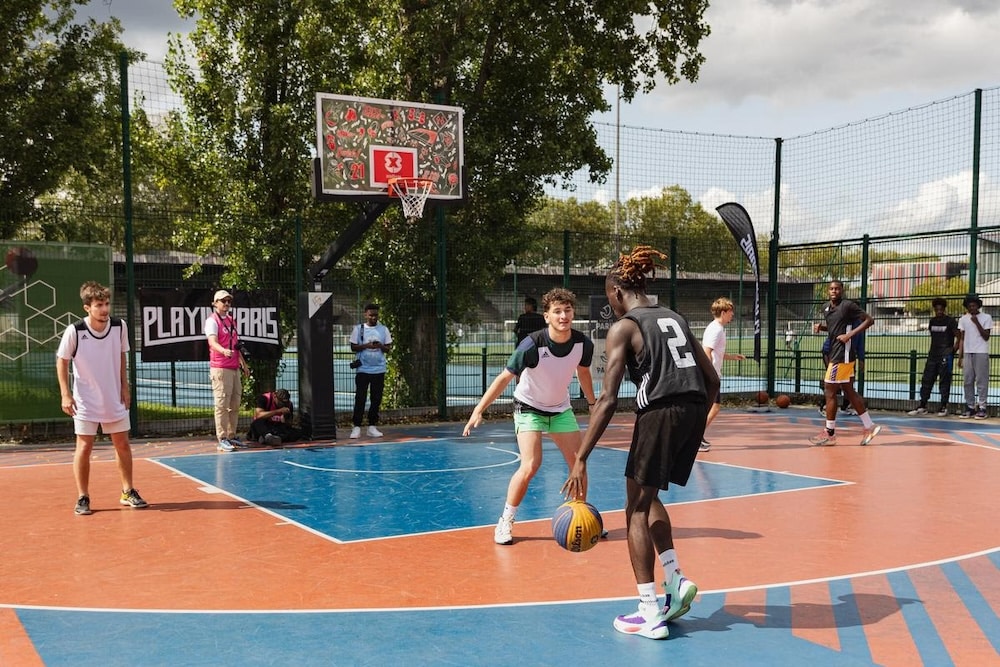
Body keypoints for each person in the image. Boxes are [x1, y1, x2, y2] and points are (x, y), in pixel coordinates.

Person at [561, 246, 719, 640]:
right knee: (648, 496)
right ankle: (676, 581)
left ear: (616, 292)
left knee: (634, 508)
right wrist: (695, 424)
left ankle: (649, 612)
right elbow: (712, 380)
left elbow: (609, 399)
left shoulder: (625, 327)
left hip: (660, 414)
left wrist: (581, 457)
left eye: (608, 296)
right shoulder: (676, 318)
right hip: (693, 410)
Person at [463, 287, 597, 546]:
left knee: (579, 465)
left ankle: (580, 516)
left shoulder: (582, 343)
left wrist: (592, 403)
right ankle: (505, 520)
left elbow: (583, 373)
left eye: (567, 310)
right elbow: (504, 378)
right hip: (529, 408)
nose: (563, 316)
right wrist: (478, 410)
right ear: (546, 316)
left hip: (560, 410)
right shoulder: (533, 344)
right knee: (531, 465)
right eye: (557, 311)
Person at [56, 281, 148, 515]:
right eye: (99, 305)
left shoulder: (119, 326)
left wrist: (125, 387)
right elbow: (62, 360)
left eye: (107, 304)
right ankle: (83, 497)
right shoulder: (75, 331)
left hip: (113, 397)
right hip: (85, 400)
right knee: (84, 447)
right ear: (87, 307)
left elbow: (121, 356)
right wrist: (65, 394)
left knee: (123, 445)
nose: (105, 309)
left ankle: (128, 491)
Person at [811, 280, 880, 446]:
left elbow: (869, 320)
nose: (834, 291)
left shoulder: (848, 306)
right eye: (831, 289)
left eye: (837, 289)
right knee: (848, 391)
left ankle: (830, 432)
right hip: (838, 353)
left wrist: (850, 335)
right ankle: (869, 426)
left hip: (842, 354)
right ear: (828, 291)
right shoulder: (826, 308)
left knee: (829, 389)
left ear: (842, 290)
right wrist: (822, 328)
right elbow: (836, 328)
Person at [205, 289, 249, 452]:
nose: (227, 304)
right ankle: (222, 438)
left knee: (235, 403)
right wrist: (223, 350)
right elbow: (212, 342)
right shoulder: (212, 321)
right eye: (223, 301)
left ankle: (232, 436)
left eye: (229, 301)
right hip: (220, 367)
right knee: (222, 404)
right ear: (215, 303)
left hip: (233, 367)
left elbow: (235, 345)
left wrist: (243, 363)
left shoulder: (231, 320)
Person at [700, 297, 745, 451]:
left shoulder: (718, 328)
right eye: (731, 311)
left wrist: (732, 357)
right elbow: (707, 351)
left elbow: (717, 353)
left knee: (712, 406)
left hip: (712, 374)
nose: (732, 314)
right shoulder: (716, 329)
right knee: (713, 406)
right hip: (711, 375)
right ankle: (696, 437)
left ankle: (697, 436)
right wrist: (709, 374)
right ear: (724, 312)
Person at [908, 297, 959, 417]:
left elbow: (959, 336)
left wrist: (952, 351)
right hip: (933, 355)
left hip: (946, 355)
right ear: (934, 310)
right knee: (927, 379)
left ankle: (943, 406)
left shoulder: (950, 321)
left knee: (944, 381)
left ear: (944, 309)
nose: (939, 311)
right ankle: (922, 405)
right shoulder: (932, 321)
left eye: (941, 309)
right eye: (937, 309)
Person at [349, 303, 392, 438]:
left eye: (376, 315)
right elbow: (353, 347)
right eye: (371, 315)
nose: (374, 317)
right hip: (363, 369)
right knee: (360, 398)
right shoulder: (359, 329)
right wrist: (366, 345)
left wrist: (380, 345)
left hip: (379, 369)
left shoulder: (383, 329)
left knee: (376, 398)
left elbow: (388, 348)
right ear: (365, 314)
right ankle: (356, 426)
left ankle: (372, 426)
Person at [957, 294, 992, 419]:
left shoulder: (986, 317)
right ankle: (970, 406)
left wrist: (976, 322)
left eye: (974, 305)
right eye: (969, 306)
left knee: (981, 380)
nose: (972, 308)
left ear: (978, 306)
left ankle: (982, 407)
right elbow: (962, 338)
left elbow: (986, 336)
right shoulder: (963, 319)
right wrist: (960, 357)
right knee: (968, 380)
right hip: (968, 352)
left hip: (981, 351)